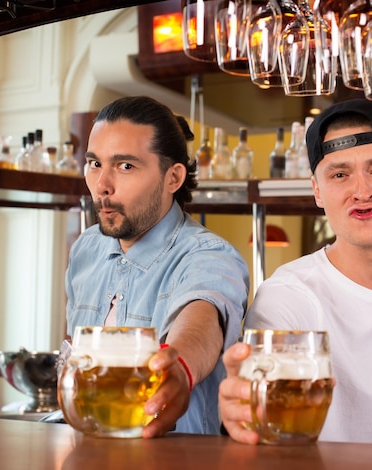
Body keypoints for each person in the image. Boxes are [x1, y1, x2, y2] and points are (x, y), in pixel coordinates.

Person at [218, 98, 372, 446]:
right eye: (339, 174)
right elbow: (268, 435)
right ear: (317, 191)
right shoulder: (288, 299)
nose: (362, 191)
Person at [65, 95, 249, 438]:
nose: (102, 185)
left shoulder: (209, 255)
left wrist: (178, 366)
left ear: (173, 178)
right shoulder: (85, 250)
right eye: (94, 163)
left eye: (125, 166)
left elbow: (202, 319)